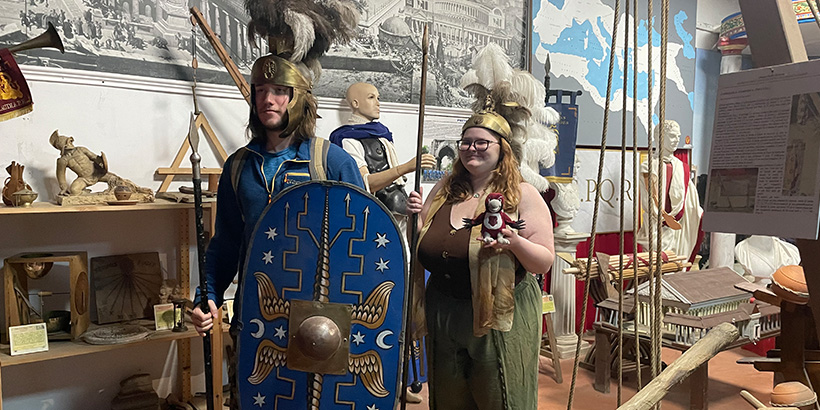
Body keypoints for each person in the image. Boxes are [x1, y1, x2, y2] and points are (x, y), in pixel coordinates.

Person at [190, 52, 364, 407]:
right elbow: (225, 245)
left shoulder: (331, 161)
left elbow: (360, 245)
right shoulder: (239, 166)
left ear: (299, 97)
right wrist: (205, 297)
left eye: (280, 90)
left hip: (323, 319)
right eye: (260, 90)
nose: (268, 99)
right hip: (259, 313)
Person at [405, 101, 555, 409]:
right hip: (443, 309)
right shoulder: (447, 187)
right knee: (448, 399)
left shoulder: (521, 194)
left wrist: (514, 242)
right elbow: (422, 237)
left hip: (499, 313)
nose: (472, 148)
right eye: (466, 142)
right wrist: (414, 216)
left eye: (482, 142)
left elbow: (543, 260)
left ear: (502, 149)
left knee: (501, 397)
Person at [330, 82, 435, 232]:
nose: (378, 103)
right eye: (371, 97)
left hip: (399, 209)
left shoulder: (383, 135)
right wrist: (407, 167)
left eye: (378, 98)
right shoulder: (348, 139)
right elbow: (364, 183)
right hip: (373, 213)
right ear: (355, 103)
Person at [636, 120, 703, 263]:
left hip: (676, 228)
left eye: (678, 137)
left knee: (673, 269)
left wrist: (699, 213)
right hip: (655, 226)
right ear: (660, 137)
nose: (676, 140)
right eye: (672, 136)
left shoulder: (681, 167)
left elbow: (690, 200)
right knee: (654, 267)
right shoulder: (648, 166)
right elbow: (651, 196)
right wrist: (663, 217)